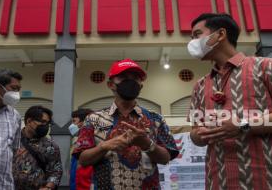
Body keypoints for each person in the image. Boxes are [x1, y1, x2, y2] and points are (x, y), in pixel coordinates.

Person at [187, 13, 272, 190]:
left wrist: (242, 125)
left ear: (220, 34)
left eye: (197, 35)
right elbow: (195, 133)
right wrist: (199, 135)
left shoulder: (266, 66)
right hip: (220, 181)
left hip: (269, 180)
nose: (192, 42)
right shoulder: (200, 85)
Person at [75, 59, 179, 189]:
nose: (130, 82)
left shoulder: (155, 118)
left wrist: (147, 144)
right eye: (123, 77)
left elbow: (166, 158)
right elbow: (82, 160)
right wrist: (104, 146)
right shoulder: (93, 119)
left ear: (141, 85)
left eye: (135, 78)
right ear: (110, 84)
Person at [12, 105, 63, 190]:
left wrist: (48, 187)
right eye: (43, 122)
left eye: (47, 123)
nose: (45, 126)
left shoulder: (50, 145)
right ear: (29, 121)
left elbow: (56, 171)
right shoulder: (12, 140)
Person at [69, 108, 93, 190]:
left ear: (84, 121)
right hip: (76, 182)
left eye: (74, 121)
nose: (72, 125)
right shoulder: (78, 139)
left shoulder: (92, 141)